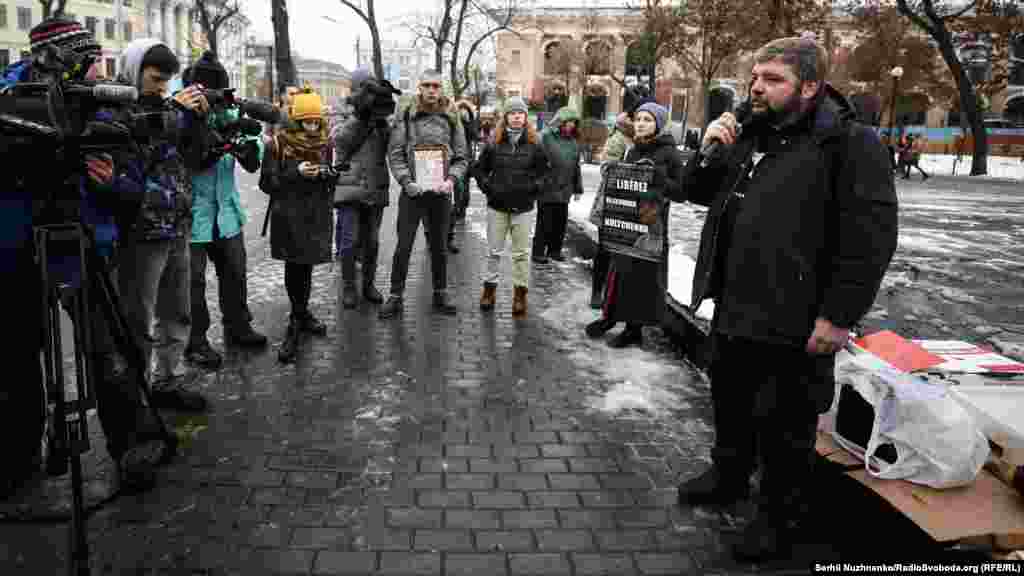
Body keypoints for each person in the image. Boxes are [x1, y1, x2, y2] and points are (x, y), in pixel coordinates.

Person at [676, 36, 898, 561]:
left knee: (786, 424)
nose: (757, 87)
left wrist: (839, 315)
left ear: (811, 85)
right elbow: (695, 190)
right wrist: (710, 148)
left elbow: (870, 238)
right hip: (734, 303)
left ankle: (777, 519)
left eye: (772, 79)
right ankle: (728, 476)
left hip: (796, 317)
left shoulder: (848, 143)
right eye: (755, 77)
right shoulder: (750, 134)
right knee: (729, 401)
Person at [0, 19, 182, 496]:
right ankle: (18, 457)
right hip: (16, 247)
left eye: (93, 59)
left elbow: (134, 183)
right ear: (47, 57)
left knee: (108, 350)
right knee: (16, 355)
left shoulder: (103, 104)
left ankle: (130, 446)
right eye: (80, 58)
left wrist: (110, 181)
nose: (89, 69)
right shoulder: (7, 97)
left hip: (82, 243)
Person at [115, 38, 211, 410]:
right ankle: (134, 395)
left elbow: (196, 156)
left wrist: (198, 120)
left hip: (177, 224)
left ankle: (167, 380)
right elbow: (135, 155)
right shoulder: (120, 112)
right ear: (134, 72)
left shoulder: (170, 109)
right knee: (138, 318)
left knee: (177, 311)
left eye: (166, 81)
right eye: (155, 79)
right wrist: (171, 111)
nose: (161, 87)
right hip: (142, 231)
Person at [184, 52, 267, 368]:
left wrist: (245, 143)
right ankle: (195, 340)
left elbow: (251, 157)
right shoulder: (184, 116)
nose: (214, 99)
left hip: (227, 212)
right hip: (192, 213)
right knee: (193, 282)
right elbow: (188, 156)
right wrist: (209, 139)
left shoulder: (233, 114)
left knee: (235, 272)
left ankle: (238, 326)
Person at [585, 103, 684, 347]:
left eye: (647, 120)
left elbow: (681, 191)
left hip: (652, 226)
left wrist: (659, 179)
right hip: (627, 222)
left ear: (658, 125)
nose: (640, 123)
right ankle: (609, 317)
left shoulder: (669, 153)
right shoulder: (633, 150)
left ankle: (633, 329)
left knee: (642, 278)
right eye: (638, 119)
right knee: (619, 273)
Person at [379, 70, 469, 319]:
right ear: (420, 88)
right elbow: (395, 153)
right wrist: (406, 181)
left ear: (442, 89)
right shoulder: (407, 115)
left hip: (440, 193)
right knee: (404, 246)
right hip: (413, 192)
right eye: (427, 86)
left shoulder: (452, 116)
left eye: (436, 86)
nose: (431, 90)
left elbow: (461, 156)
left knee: (439, 247)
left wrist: (452, 179)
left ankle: (440, 293)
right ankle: (395, 296)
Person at [261, 87, 333, 363]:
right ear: (296, 120)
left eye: (317, 121)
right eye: (307, 121)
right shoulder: (277, 143)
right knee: (295, 266)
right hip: (288, 216)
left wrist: (327, 173)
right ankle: (296, 317)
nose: (313, 127)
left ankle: (301, 314)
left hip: (316, 215)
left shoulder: (326, 143)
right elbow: (267, 183)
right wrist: (296, 172)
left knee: (307, 265)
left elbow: (332, 179)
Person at [472, 96, 549, 317]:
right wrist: (489, 187)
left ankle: (520, 295)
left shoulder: (535, 144)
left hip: (524, 207)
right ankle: (489, 291)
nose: (517, 116)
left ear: (526, 117)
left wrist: (534, 188)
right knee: (494, 252)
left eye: (521, 113)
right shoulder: (494, 144)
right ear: (505, 116)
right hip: (497, 206)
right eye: (513, 113)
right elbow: (478, 169)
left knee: (521, 254)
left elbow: (545, 172)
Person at [330, 67, 388, 309]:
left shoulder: (380, 118)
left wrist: (381, 116)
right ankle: (349, 287)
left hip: (375, 185)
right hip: (350, 187)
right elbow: (339, 141)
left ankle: (368, 285)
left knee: (372, 241)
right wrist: (360, 117)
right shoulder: (343, 113)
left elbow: (391, 144)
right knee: (349, 241)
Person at [588, 112, 634, 308]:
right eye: (637, 117)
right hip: (613, 201)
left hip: (633, 203)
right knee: (605, 249)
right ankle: (597, 292)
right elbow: (606, 168)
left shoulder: (643, 139)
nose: (639, 122)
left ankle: (615, 294)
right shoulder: (618, 138)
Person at [534, 106, 583, 263]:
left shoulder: (574, 143)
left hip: (564, 189)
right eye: (569, 122)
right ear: (560, 122)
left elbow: (576, 167)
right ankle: (538, 251)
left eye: (574, 123)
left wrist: (578, 189)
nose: (572, 126)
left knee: (560, 223)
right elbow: (536, 156)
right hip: (547, 187)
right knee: (544, 222)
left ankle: (554, 250)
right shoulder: (546, 137)